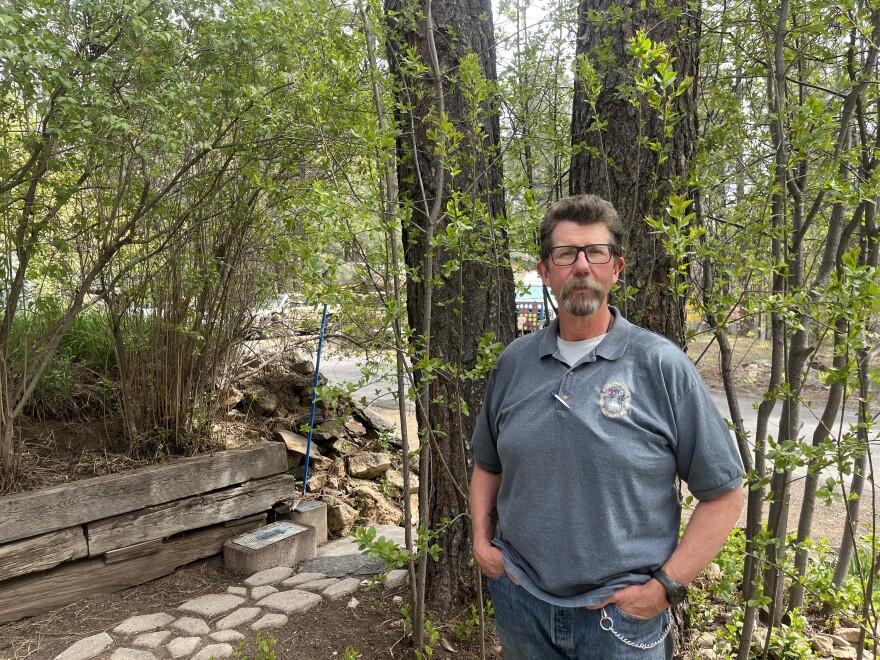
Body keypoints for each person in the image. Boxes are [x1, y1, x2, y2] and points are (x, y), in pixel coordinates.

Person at [470, 195, 743, 659]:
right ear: (545, 270)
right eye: (565, 254)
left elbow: (725, 495)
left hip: (622, 619)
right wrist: (481, 540)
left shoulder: (661, 366)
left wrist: (665, 587)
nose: (581, 266)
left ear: (616, 268)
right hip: (521, 602)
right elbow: (487, 464)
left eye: (595, 253)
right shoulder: (514, 363)